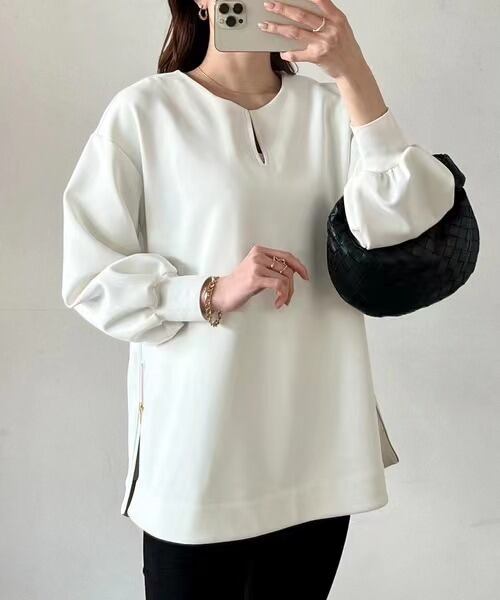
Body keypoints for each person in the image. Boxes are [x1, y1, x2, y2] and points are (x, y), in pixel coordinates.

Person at [61, 0, 456, 597]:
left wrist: (352, 70)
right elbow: (91, 278)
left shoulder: (330, 111)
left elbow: (402, 221)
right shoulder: (146, 112)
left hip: (317, 449)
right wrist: (208, 291)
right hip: (199, 458)